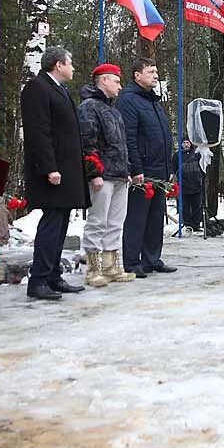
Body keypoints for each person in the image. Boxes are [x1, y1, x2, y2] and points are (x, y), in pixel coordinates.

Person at [20, 46, 91, 298]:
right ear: (58, 65)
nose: (73, 68)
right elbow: (39, 131)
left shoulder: (59, 89)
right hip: (52, 172)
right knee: (51, 224)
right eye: (70, 63)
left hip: (66, 171)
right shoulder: (37, 88)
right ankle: (38, 280)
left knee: (60, 225)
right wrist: (49, 167)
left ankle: (52, 275)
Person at [117, 57, 177, 276]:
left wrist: (169, 167)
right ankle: (132, 261)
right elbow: (129, 137)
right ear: (137, 75)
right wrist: (136, 168)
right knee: (137, 216)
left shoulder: (152, 100)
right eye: (151, 71)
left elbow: (161, 135)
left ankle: (152, 258)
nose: (156, 75)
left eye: (156, 71)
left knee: (155, 217)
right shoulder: (129, 100)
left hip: (159, 169)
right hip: (142, 170)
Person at [77, 63, 136, 286]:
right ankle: (93, 269)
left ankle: (111, 265)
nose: (120, 86)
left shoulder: (113, 110)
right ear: (103, 80)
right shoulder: (89, 107)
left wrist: (127, 169)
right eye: (116, 81)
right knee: (97, 221)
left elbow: (120, 144)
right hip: (103, 175)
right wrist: (93, 172)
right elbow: (87, 142)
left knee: (115, 222)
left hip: (119, 174)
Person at [172, 137, 204, 231]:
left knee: (197, 206)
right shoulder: (177, 156)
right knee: (185, 207)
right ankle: (187, 225)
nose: (186, 144)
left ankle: (196, 224)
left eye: (188, 142)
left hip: (196, 184)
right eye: (184, 143)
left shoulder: (197, 154)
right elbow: (174, 169)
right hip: (183, 185)